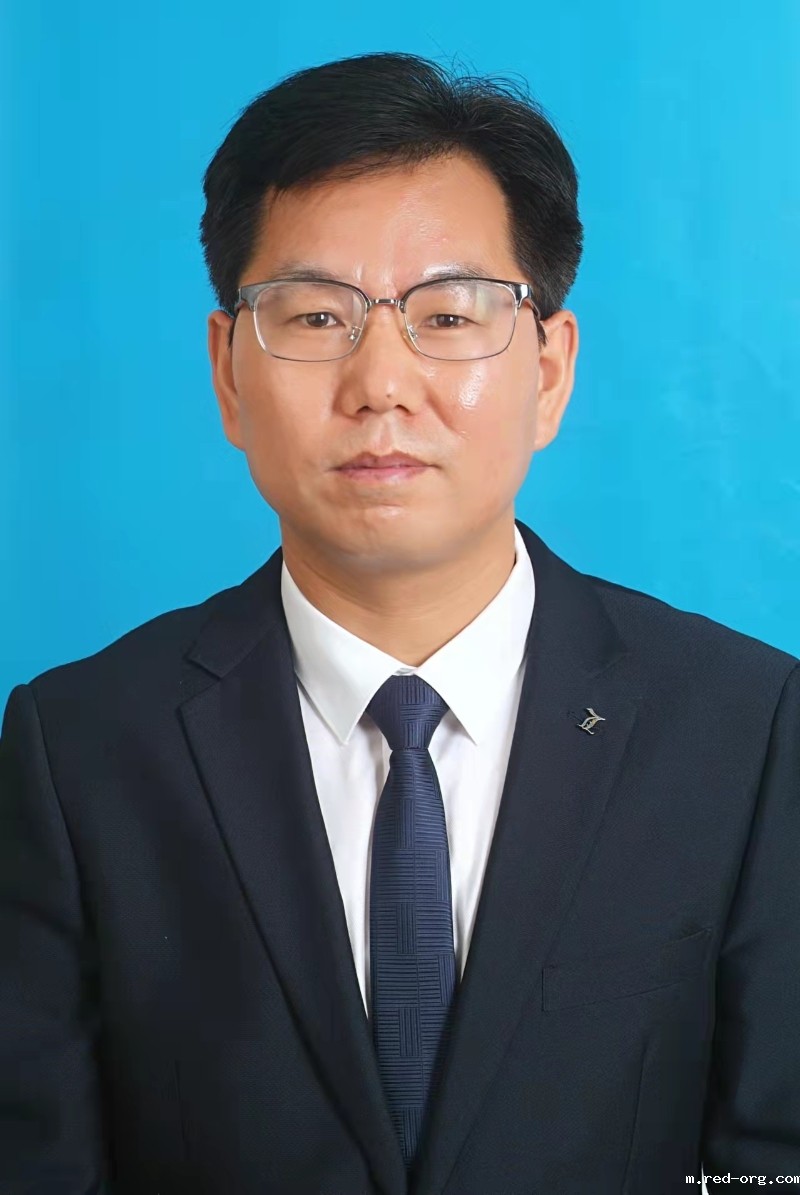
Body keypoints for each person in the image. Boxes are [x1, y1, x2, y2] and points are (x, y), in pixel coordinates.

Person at [0, 50, 798, 1195]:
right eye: (315, 314)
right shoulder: (78, 749)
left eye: (448, 314)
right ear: (227, 372)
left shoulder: (748, 729)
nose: (379, 381)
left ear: (549, 370)